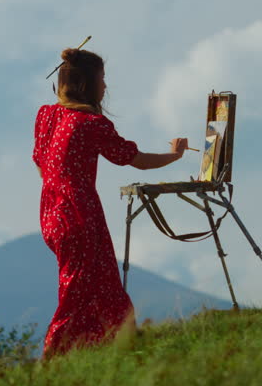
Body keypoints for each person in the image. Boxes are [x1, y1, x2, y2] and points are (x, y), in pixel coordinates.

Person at [33, 47, 188, 360]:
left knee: (92, 289)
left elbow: (41, 164)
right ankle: (54, 359)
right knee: (83, 294)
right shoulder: (90, 124)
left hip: (51, 213)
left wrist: (63, 183)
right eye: (102, 80)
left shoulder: (47, 116)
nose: (105, 87)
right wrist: (175, 155)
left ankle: (109, 350)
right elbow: (135, 160)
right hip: (80, 214)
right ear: (86, 85)